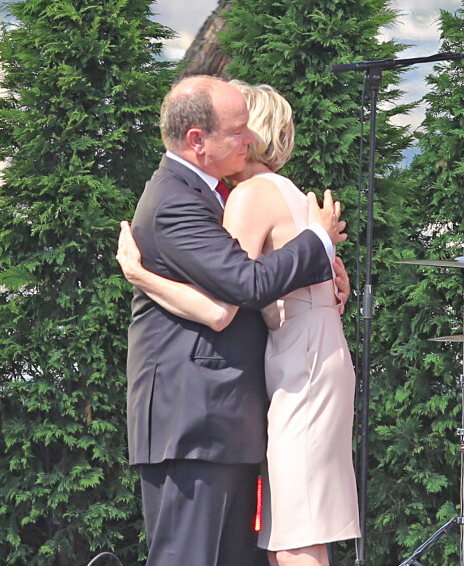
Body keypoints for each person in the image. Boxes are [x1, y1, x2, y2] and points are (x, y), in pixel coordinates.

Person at [118, 80, 359, 566]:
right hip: (200, 416)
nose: (247, 137)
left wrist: (139, 274)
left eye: (250, 127)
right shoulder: (182, 198)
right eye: (237, 129)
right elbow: (239, 292)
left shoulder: (239, 196)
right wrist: (319, 246)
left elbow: (233, 298)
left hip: (253, 400)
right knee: (275, 538)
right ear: (197, 140)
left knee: (289, 534)